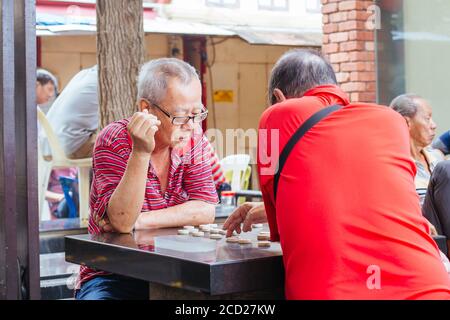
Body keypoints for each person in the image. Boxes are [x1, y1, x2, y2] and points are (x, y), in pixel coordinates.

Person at [224, 49, 450, 299]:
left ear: (279, 98)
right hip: (426, 285)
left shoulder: (275, 116)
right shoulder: (390, 120)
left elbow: (282, 223)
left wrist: (268, 212)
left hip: (337, 291)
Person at [75, 58, 218, 300]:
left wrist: (140, 221)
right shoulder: (114, 139)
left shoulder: (194, 140)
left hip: (177, 270)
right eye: (182, 117)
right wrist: (141, 152)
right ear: (147, 109)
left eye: (198, 114)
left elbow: (205, 209)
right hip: (114, 274)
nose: (193, 127)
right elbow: (121, 221)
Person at [390, 94, 450, 255]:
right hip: (421, 232)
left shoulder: (436, 156)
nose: (434, 125)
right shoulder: (394, 164)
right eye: (427, 118)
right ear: (406, 122)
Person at [40, 66, 98, 160]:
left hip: (47, 146)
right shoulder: (106, 81)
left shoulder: (83, 74)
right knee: (122, 145)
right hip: (68, 147)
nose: (50, 95)